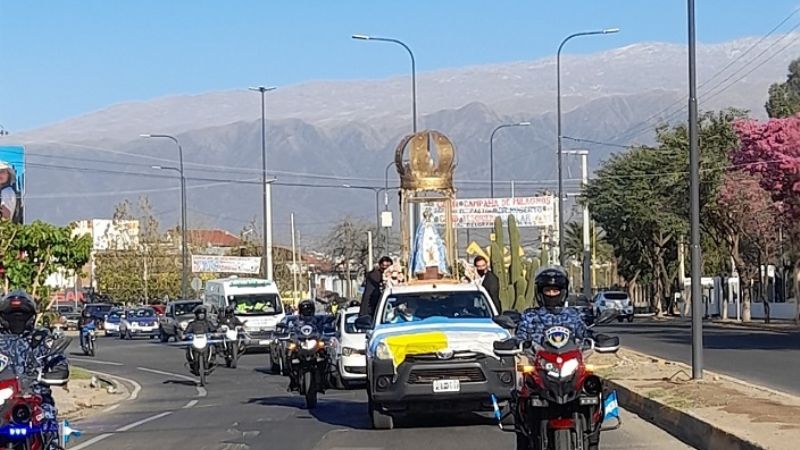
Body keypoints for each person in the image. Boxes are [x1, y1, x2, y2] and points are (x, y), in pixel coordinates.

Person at [0, 291, 68, 450]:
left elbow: (60, 365)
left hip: (37, 399)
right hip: (3, 402)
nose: (17, 319)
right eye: (12, 314)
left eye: (22, 314)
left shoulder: (42, 338)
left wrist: (50, 374)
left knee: (47, 426)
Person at [516, 267, 589, 345]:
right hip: (537, 356)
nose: (551, 294)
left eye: (555, 291)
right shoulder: (530, 316)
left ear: (563, 293)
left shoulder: (573, 315)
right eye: (547, 291)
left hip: (569, 356)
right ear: (540, 293)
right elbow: (520, 338)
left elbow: (586, 336)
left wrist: (598, 337)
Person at [184, 305, 218, 373]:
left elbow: (213, 330)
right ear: (197, 315)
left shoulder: (208, 323)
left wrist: (214, 333)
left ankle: (211, 361)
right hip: (195, 342)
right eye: (200, 314)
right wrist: (185, 335)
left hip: (206, 342)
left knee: (213, 347)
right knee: (188, 348)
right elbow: (186, 332)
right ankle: (192, 362)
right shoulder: (192, 324)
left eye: (202, 314)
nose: (201, 316)